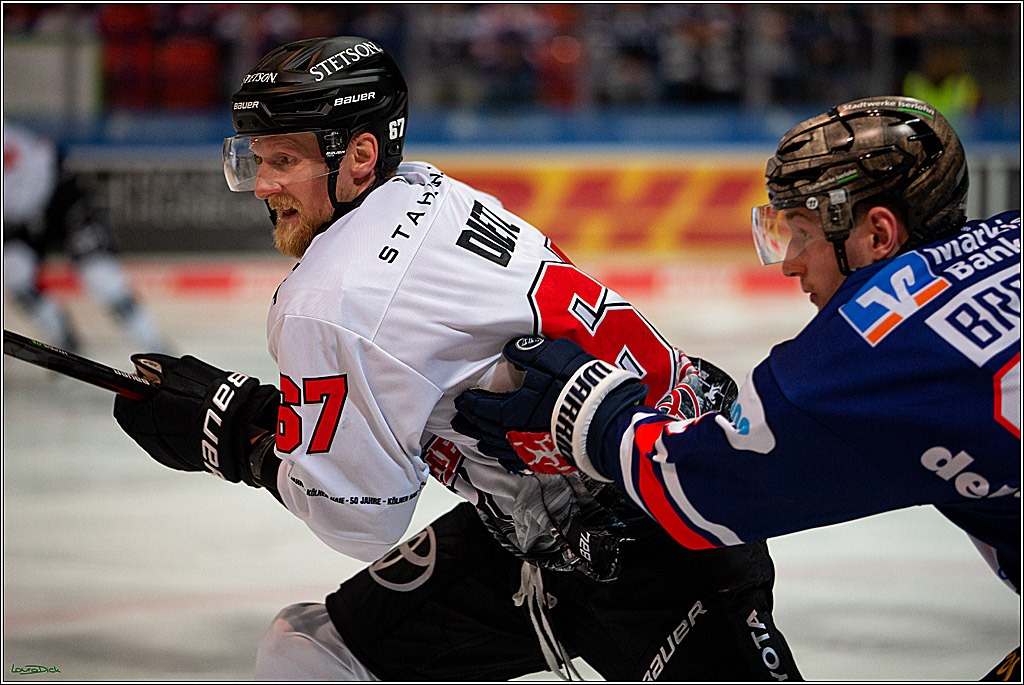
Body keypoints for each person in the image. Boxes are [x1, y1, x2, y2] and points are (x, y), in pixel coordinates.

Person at [111, 36, 802, 680]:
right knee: (312, 653)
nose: (263, 185)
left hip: (658, 539)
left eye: (283, 161)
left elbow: (363, 517)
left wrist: (237, 438)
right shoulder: (430, 190)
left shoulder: (327, 298)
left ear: (359, 155)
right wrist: (286, 420)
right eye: (256, 160)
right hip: (595, 495)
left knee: (306, 658)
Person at [453, 95, 1021, 679]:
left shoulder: (872, 353)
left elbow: (700, 488)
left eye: (803, 233)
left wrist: (592, 409)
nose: (790, 263)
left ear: (878, 234)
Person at [3, 120, 170, 354]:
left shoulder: (9, 138)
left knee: (101, 275)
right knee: (13, 271)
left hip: (61, 201)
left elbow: (45, 159)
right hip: (17, 221)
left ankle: (155, 347)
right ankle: (63, 340)